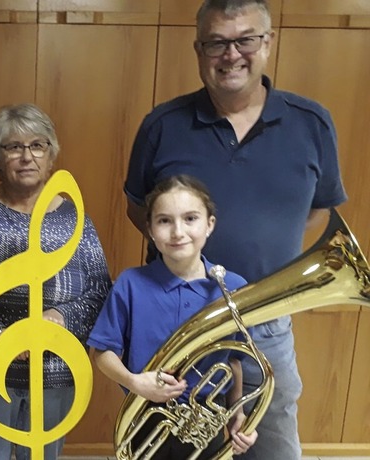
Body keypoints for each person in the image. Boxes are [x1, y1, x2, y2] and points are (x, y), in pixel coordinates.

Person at [124, 1, 347, 458]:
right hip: (175, 323)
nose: (231, 55)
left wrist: (264, 251)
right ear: (198, 49)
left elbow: (317, 211)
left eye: (245, 39)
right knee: (167, 439)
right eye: (217, 43)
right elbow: (139, 210)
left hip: (264, 321)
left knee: (273, 440)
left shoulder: (312, 123)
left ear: (267, 43)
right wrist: (186, 254)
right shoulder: (162, 125)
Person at [0, 103, 111, 460]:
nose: (27, 156)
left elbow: (100, 290)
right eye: (14, 147)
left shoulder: (76, 219)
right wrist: (1, 337)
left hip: (55, 366)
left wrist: (57, 320)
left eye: (37, 145)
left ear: (51, 155)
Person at [88, 175, 257, 459]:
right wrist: (133, 382)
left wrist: (237, 413)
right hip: (145, 416)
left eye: (190, 218)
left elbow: (233, 360)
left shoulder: (232, 287)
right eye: (164, 221)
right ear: (151, 230)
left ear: (209, 224)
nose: (178, 231)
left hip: (207, 420)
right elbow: (102, 351)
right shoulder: (131, 284)